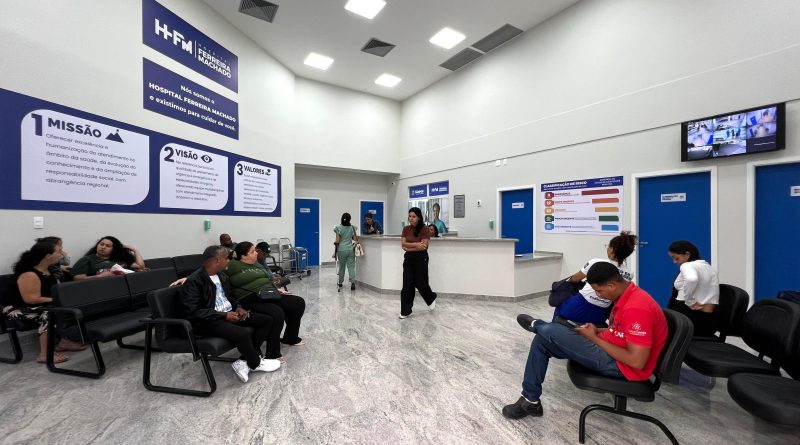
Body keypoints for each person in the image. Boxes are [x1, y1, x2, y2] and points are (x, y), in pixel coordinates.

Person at [503, 262, 669, 419]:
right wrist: (598, 331)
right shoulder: (626, 296)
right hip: (613, 351)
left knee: (550, 331)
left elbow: (636, 361)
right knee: (542, 340)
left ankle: (537, 325)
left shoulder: (637, 308)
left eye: (599, 291)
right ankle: (530, 401)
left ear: (611, 285)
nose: (598, 295)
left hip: (623, 367)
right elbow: (621, 332)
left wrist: (594, 338)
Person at [180, 245, 281, 383]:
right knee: (242, 333)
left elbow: (231, 298)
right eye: (226, 258)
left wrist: (238, 308)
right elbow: (194, 312)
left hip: (228, 314)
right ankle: (254, 363)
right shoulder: (194, 281)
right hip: (208, 321)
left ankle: (243, 361)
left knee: (266, 320)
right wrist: (224, 315)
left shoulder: (222, 276)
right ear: (217, 260)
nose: (229, 261)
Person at [2, 240, 84, 364]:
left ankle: (63, 342)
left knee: (65, 308)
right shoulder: (29, 274)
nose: (62, 254)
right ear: (48, 256)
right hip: (15, 309)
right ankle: (45, 354)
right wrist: (58, 299)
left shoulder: (49, 271)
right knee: (50, 312)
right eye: (59, 251)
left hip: (36, 306)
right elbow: (31, 299)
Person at [227, 242, 306, 349]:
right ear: (243, 256)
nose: (256, 253)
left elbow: (267, 278)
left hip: (267, 294)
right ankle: (272, 352)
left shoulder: (257, 264)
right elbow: (222, 281)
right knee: (277, 312)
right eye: (252, 252)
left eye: (255, 251)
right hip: (250, 298)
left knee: (298, 302)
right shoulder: (232, 265)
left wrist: (276, 289)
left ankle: (290, 337)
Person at [553, 231, 637, 325]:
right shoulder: (629, 273)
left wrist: (561, 284)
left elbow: (575, 278)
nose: (607, 248)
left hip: (578, 306)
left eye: (608, 246)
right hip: (601, 314)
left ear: (612, 250)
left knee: (560, 300)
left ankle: (552, 328)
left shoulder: (596, 262)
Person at [667, 240, 720, 337]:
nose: (674, 262)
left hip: (685, 316)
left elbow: (691, 279)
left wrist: (690, 301)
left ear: (687, 254)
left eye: (676, 258)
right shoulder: (708, 267)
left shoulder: (687, 265)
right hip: (707, 320)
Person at [399, 207, 437, 319]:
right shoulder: (406, 229)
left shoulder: (425, 229)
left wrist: (409, 246)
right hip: (408, 259)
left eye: (414, 216)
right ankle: (405, 311)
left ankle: (431, 298)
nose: (411, 218)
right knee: (407, 285)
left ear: (419, 218)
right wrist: (416, 245)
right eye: (410, 216)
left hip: (421, 259)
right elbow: (403, 245)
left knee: (421, 283)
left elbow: (424, 246)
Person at [71, 236, 144, 280]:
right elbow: (77, 278)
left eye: (108, 246)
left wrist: (135, 250)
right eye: (101, 244)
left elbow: (140, 266)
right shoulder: (87, 260)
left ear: (114, 249)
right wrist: (99, 277)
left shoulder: (120, 259)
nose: (103, 247)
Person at [333, 213, 359, 291]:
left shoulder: (338, 228)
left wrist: (335, 252)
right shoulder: (352, 228)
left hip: (341, 250)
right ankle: (352, 282)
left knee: (342, 267)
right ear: (349, 219)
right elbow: (355, 239)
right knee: (351, 267)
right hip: (350, 249)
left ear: (342, 219)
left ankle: (340, 282)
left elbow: (337, 241)